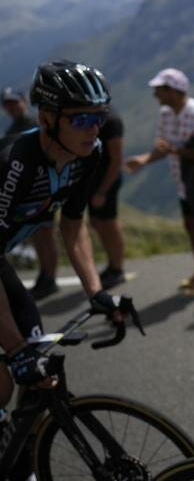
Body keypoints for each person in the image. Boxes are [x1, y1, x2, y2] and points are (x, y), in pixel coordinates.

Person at [0, 61, 122, 476]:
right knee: (6, 378)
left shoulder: (90, 155)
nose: (94, 128)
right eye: (82, 119)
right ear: (47, 118)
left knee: (38, 373)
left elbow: (73, 226)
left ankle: (20, 462)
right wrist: (14, 348)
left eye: (100, 117)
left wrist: (96, 291)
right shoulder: (18, 163)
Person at [125, 68, 194, 296]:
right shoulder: (165, 114)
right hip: (183, 181)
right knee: (190, 226)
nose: (156, 95)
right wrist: (144, 159)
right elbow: (164, 147)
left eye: (160, 90)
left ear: (174, 91)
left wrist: (173, 150)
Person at [1, 88, 60, 299]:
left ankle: (50, 277)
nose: (11, 107)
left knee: (46, 233)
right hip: (26, 192)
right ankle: (44, 275)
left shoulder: (36, 124)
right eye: (7, 104)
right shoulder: (12, 129)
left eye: (14, 102)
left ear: (24, 101)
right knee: (36, 233)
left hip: (44, 188)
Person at [87, 107, 126, 289]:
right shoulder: (89, 117)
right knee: (97, 223)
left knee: (108, 223)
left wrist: (102, 191)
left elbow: (117, 159)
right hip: (92, 181)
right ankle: (112, 265)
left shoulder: (111, 121)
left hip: (106, 182)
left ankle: (117, 269)